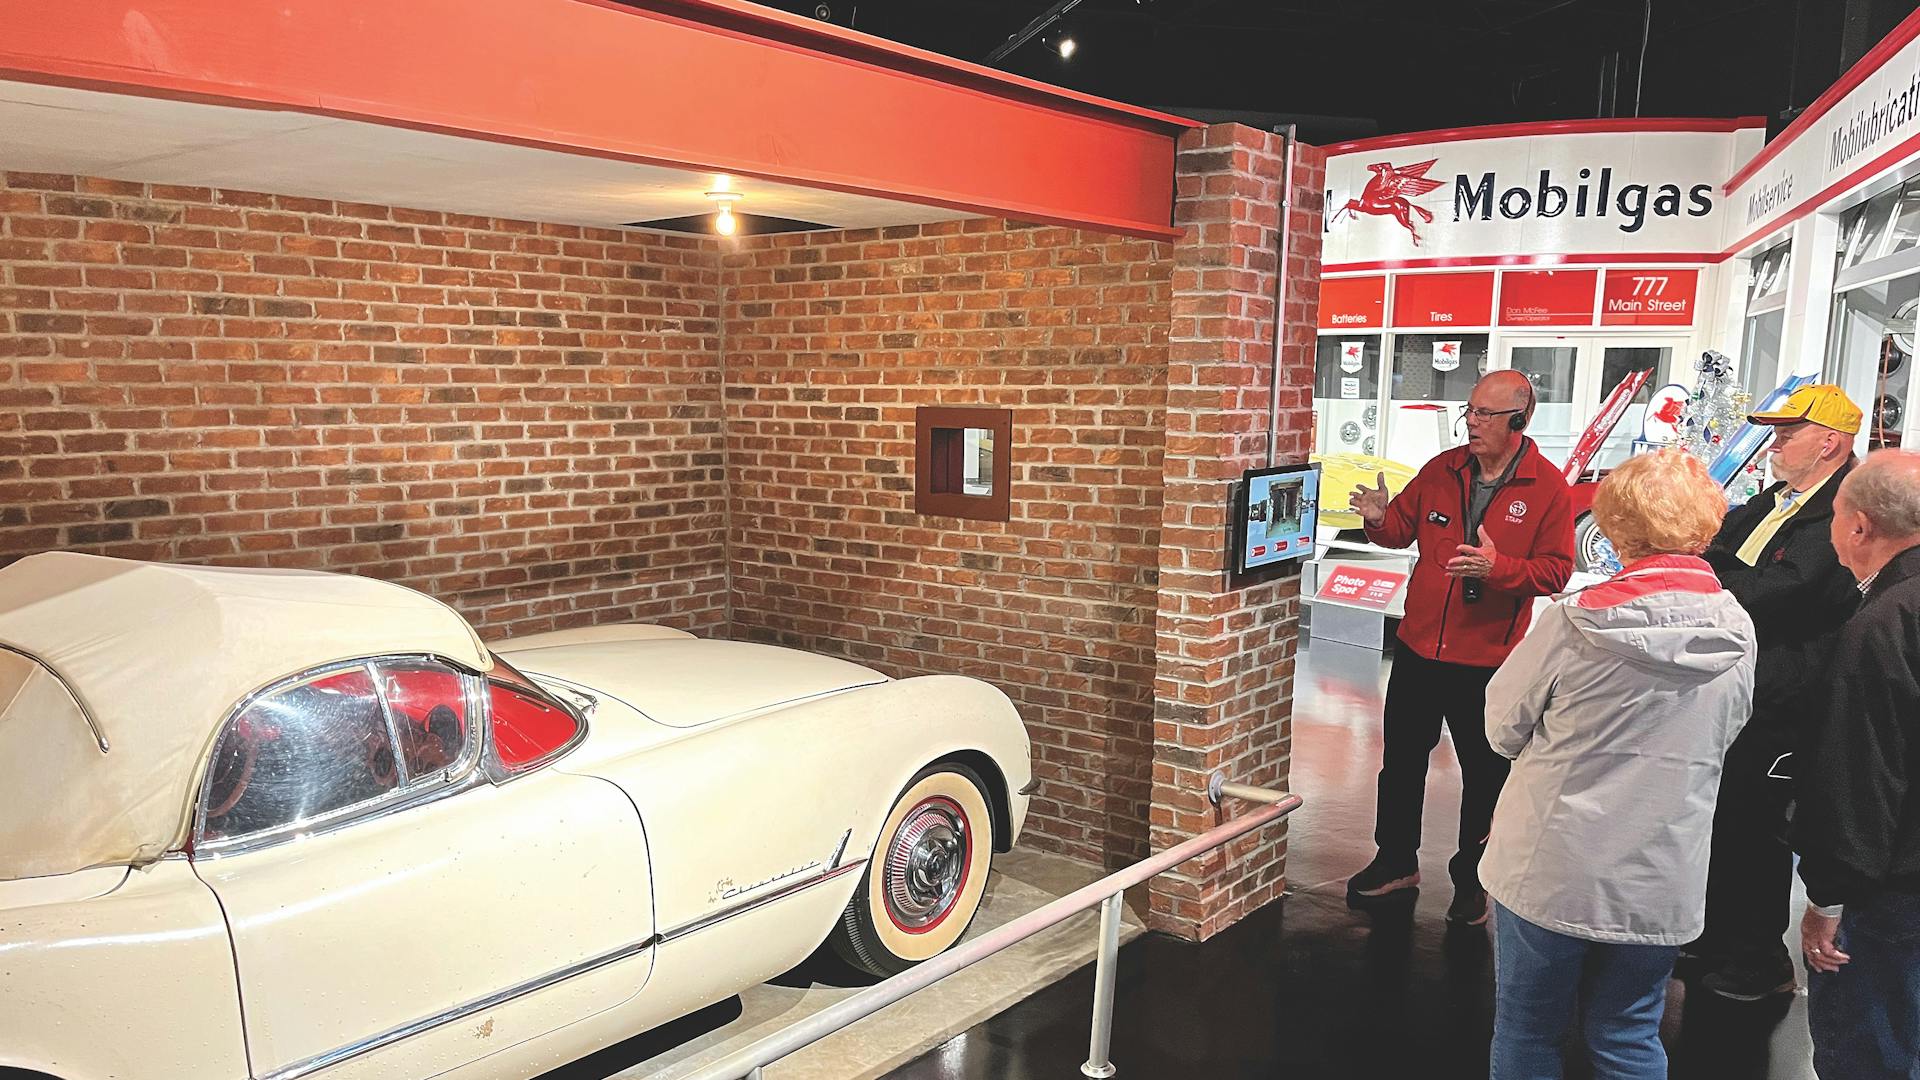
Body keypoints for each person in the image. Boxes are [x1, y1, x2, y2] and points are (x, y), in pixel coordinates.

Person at [1481, 449, 1756, 1080]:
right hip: (1661, 871)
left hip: (1550, 865)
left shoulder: (1574, 624)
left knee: (1527, 1031)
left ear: (1611, 525)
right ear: (1707, 525)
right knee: (1630, 1032)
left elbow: (1502, 728)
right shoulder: (1738, 628)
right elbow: (1727, 732)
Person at [1345, 369, 1575, 924]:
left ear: (1519, 421)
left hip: (1487, 661)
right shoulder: (1440, 470)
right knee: (1400, 761)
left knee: (1484, 773)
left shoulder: (1548, 488)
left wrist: (1501, 569)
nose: (1471, 422)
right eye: (1469, 411)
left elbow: (1557, 572)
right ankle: (1395, 859)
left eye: (1485, 414)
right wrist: (1379, 517)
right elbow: (1401, 528)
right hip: (1418, 647)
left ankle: (1473, 881)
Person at [1693, 383, 1862, 1000]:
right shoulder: (1773, 501)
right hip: (1740, 687)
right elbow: (1712, 553)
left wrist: (1721, 576)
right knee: (1722, 820)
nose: (1776, 442)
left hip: (1787, 700)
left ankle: (1761, 959)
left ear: (1831, 443)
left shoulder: (1841, 510)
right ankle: (1716, 936)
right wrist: (1725, 573)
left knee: (1759, 830)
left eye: (1790, 432)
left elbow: (1778, 589)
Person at [1793, 449, 1920, 1080]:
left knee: (1870, 1056)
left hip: (1890, 893)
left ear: (1859, 527)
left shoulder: (1881, 625)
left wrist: (1827, 897)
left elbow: (1860, 780)